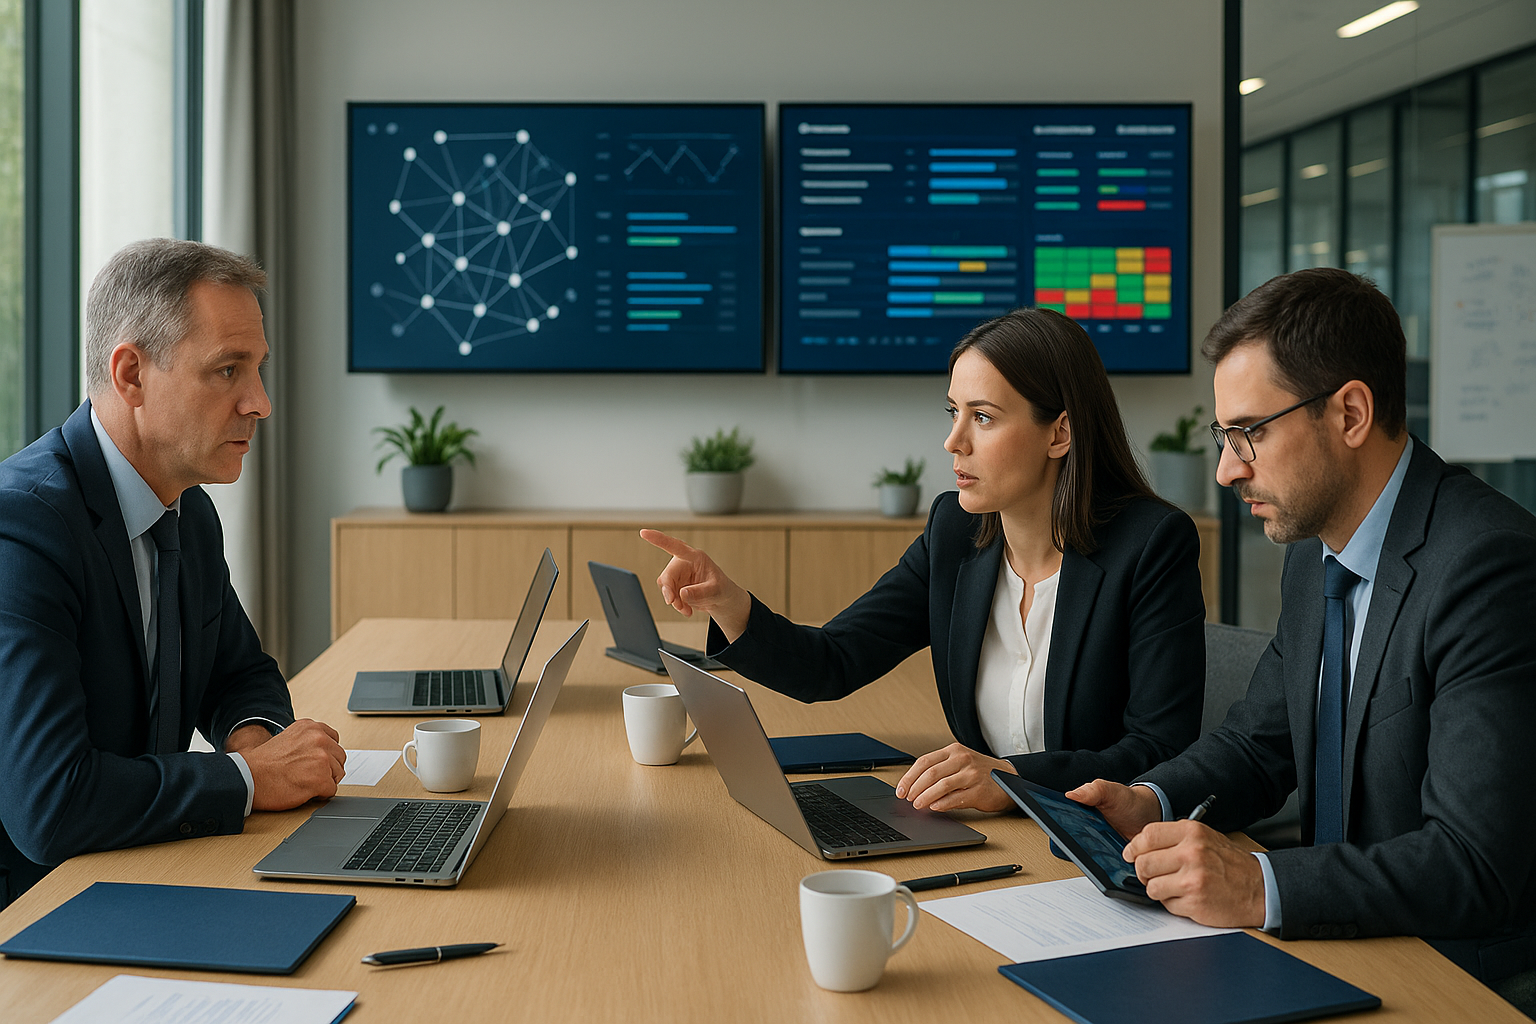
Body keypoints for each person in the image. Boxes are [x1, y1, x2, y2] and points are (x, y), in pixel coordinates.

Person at [1069, 268, 1536, 997]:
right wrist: (1148, 799)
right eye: (1223, 436)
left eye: (1250, 433)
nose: (1227, 469)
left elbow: (1471, 865)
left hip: (1454, 973)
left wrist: (1257, 884)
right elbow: (1261, 744)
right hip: (1335, 945)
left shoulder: (1486, 567)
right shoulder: (1317, 551)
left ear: (1350, 413)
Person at [644, 307, 1206, 813]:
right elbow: (833, 662)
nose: (953, 441)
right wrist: (729, 602)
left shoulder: (1152, 544)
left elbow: (1159, 752)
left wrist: (1014, 779)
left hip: (1098, 844)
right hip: (995, 833)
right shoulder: (954, 532)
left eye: (983, 417)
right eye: (953, 412)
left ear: (1059, 433)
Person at [0, 238, 346, 907]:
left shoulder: (188, 512)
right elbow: (50, 805)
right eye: (227, 371)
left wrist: (254, 738)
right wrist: (247, 778)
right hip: (35, 916)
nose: (260, 403)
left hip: (137, 872)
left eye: (258, 370)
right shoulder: (22, 530)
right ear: (131, 374)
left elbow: (240, 673)